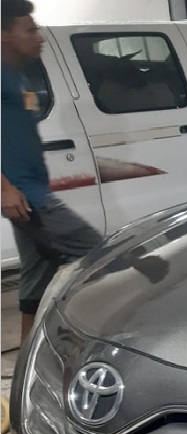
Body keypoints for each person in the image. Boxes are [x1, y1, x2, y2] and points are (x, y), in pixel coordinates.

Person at [1, 0, 102, 343]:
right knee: (100, 257)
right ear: (5, 35)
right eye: (29, 30)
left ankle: (26, 360)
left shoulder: (19, 75)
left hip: (31, 192)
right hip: (28, 197)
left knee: (38, 280)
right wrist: (4, 189)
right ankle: (98, 343)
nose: (39, 37)